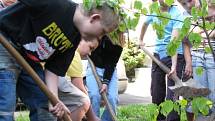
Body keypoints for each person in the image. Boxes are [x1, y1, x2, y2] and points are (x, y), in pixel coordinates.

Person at [0, 0, 120, 121]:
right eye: (103, 32)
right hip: (4, 42)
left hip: (27, 58)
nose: (100, 38)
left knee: (44, 102)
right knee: (5, 104)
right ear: (94, 18)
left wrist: (54, 100)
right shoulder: (54, 4)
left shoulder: (74, 38)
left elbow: (53, 69)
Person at [139, 0, 192, 120]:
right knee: (156, 92)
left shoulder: (178, 14)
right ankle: (159, 118)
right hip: (158, 55)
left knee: (173, 94)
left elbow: (174, 41)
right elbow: (145, 24)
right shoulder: (153, 10)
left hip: (175, 56)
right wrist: (140, 40)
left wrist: (174, 65)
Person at [177, 0, 215, 120]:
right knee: (200, 97)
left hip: (212, 56)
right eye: (183, 3)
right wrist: (188, 62)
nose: (188, 5)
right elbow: (185, 41)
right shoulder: (185, 16)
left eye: (189, 1)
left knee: (213, 97)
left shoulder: (211, 5)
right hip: (197, 57)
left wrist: (207, 33)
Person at [58, 38, 100, 121]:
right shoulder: (74, 53)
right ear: (81, 39)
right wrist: (92, 118)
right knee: (83, 101)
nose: (90, 53)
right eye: (90, 48)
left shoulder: (65, 47)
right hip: (51, 84)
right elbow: (79, 87)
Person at [86, 35, 123, 121]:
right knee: (94, 96)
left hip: (110, 70)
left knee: (112, 98)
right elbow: (90, 52)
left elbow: (111, 63)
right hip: (93, 67)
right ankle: (94, 119)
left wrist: (106, 82)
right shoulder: (96, 33)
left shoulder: (119, 41)